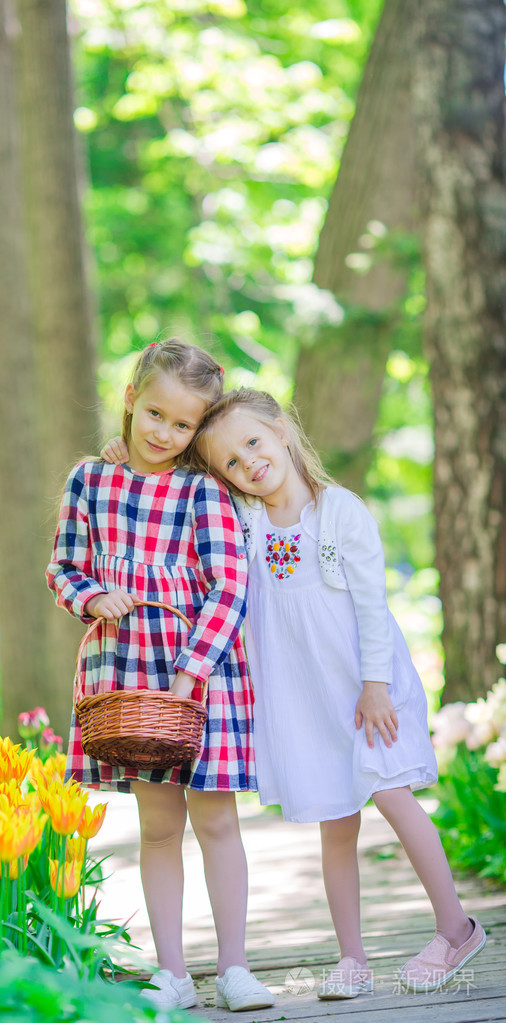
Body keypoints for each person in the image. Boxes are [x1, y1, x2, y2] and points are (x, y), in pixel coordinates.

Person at [188, 386, 487, 999]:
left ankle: (456, 928)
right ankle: (351, 959)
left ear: (282, 431)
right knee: (335, 821)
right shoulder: (246, 523)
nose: (249, 464)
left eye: (253, 443)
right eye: (232, 464)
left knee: (394, 796)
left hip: (363, 688)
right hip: (305, 698)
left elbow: (373, 606)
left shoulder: (338, 511)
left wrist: (376, 686)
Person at [46, 341, 274, 1013]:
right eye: (154, 414)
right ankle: (171, 970)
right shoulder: (90, 480)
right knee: (156, 827)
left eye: (181, 425)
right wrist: (91, 596)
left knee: (218, 823)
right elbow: (64, 566)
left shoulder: (203, 489)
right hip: (127, 679)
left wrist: (193, 671)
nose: (163, 434)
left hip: (200, 681)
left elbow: (229, 585)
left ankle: (234, 965)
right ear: (129, 397)